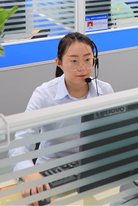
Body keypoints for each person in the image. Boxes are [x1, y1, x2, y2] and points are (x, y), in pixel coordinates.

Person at [8, 32, 114, 205]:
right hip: (51, 173)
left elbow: (113, 137)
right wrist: (29, 173)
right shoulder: (44, 95)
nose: (82, 67)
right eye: (74, 61)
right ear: (59, 63)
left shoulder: (104, 91)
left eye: (88, 59)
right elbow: (20, 143)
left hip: (91, 171)